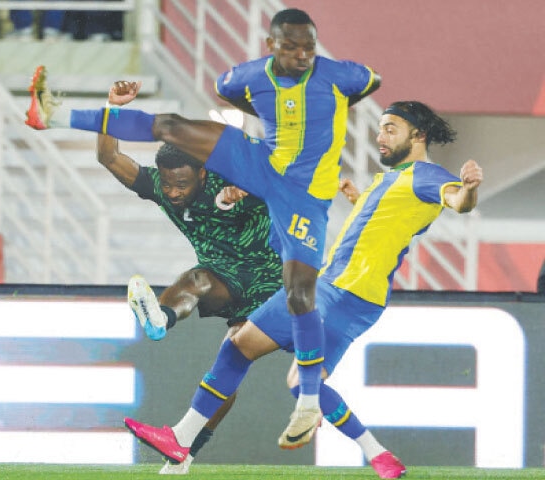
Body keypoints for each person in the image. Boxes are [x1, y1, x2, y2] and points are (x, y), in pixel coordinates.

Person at [25, 7, 381, 449]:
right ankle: (53, 114)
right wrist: (113, 107)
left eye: (309, 46)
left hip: (293, 214)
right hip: (255, 187)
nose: (303, 55)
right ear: (271, 45)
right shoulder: (245, 80)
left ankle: (306, 404)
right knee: (171, 128)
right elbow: (221, 94)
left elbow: (370, 81)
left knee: (290, 301)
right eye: (291, 47)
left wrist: (323, 114)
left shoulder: (337, 77)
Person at [125, 100, 482, 479]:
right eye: (380, 128)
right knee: (302, 384)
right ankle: (380, 456)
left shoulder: (426, 176)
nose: (381, 136)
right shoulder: (393, 180)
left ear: (419, 135)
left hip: (334, 289)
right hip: (364, 301)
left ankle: (181, 439)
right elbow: (388, 224)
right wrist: (359, 199)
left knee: (238, 347)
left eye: (391, 129)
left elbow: (458, 201)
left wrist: (469, 190)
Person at [100, 81, 284, 473]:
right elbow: (109, 157)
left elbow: (278, 179)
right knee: (197, 279)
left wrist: (246, 188)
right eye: (167, 183)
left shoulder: (228, 177)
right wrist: (111, 109)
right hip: (223, 280)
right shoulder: (161, 187)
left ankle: (185, 451)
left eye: (181, 184)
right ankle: (160, 319)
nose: (173, 192)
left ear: (202, 173)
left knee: (229, 368)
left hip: (271, 282)